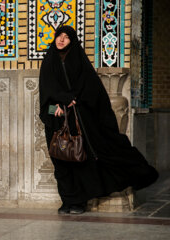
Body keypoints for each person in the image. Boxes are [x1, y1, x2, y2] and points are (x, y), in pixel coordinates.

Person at [39, 25, 159, 215]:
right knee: (61, 162)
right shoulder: (48, 63)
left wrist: (74, 99)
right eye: (59, 36)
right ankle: (67, 200)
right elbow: (45, 98)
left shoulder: (80, 62)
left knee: (80, 160)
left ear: (72, 41)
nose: (61, 40)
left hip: (81, 121)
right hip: (58, 122)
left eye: (66, 37)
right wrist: (57, 107)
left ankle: (79, 202)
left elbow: (93, 92)